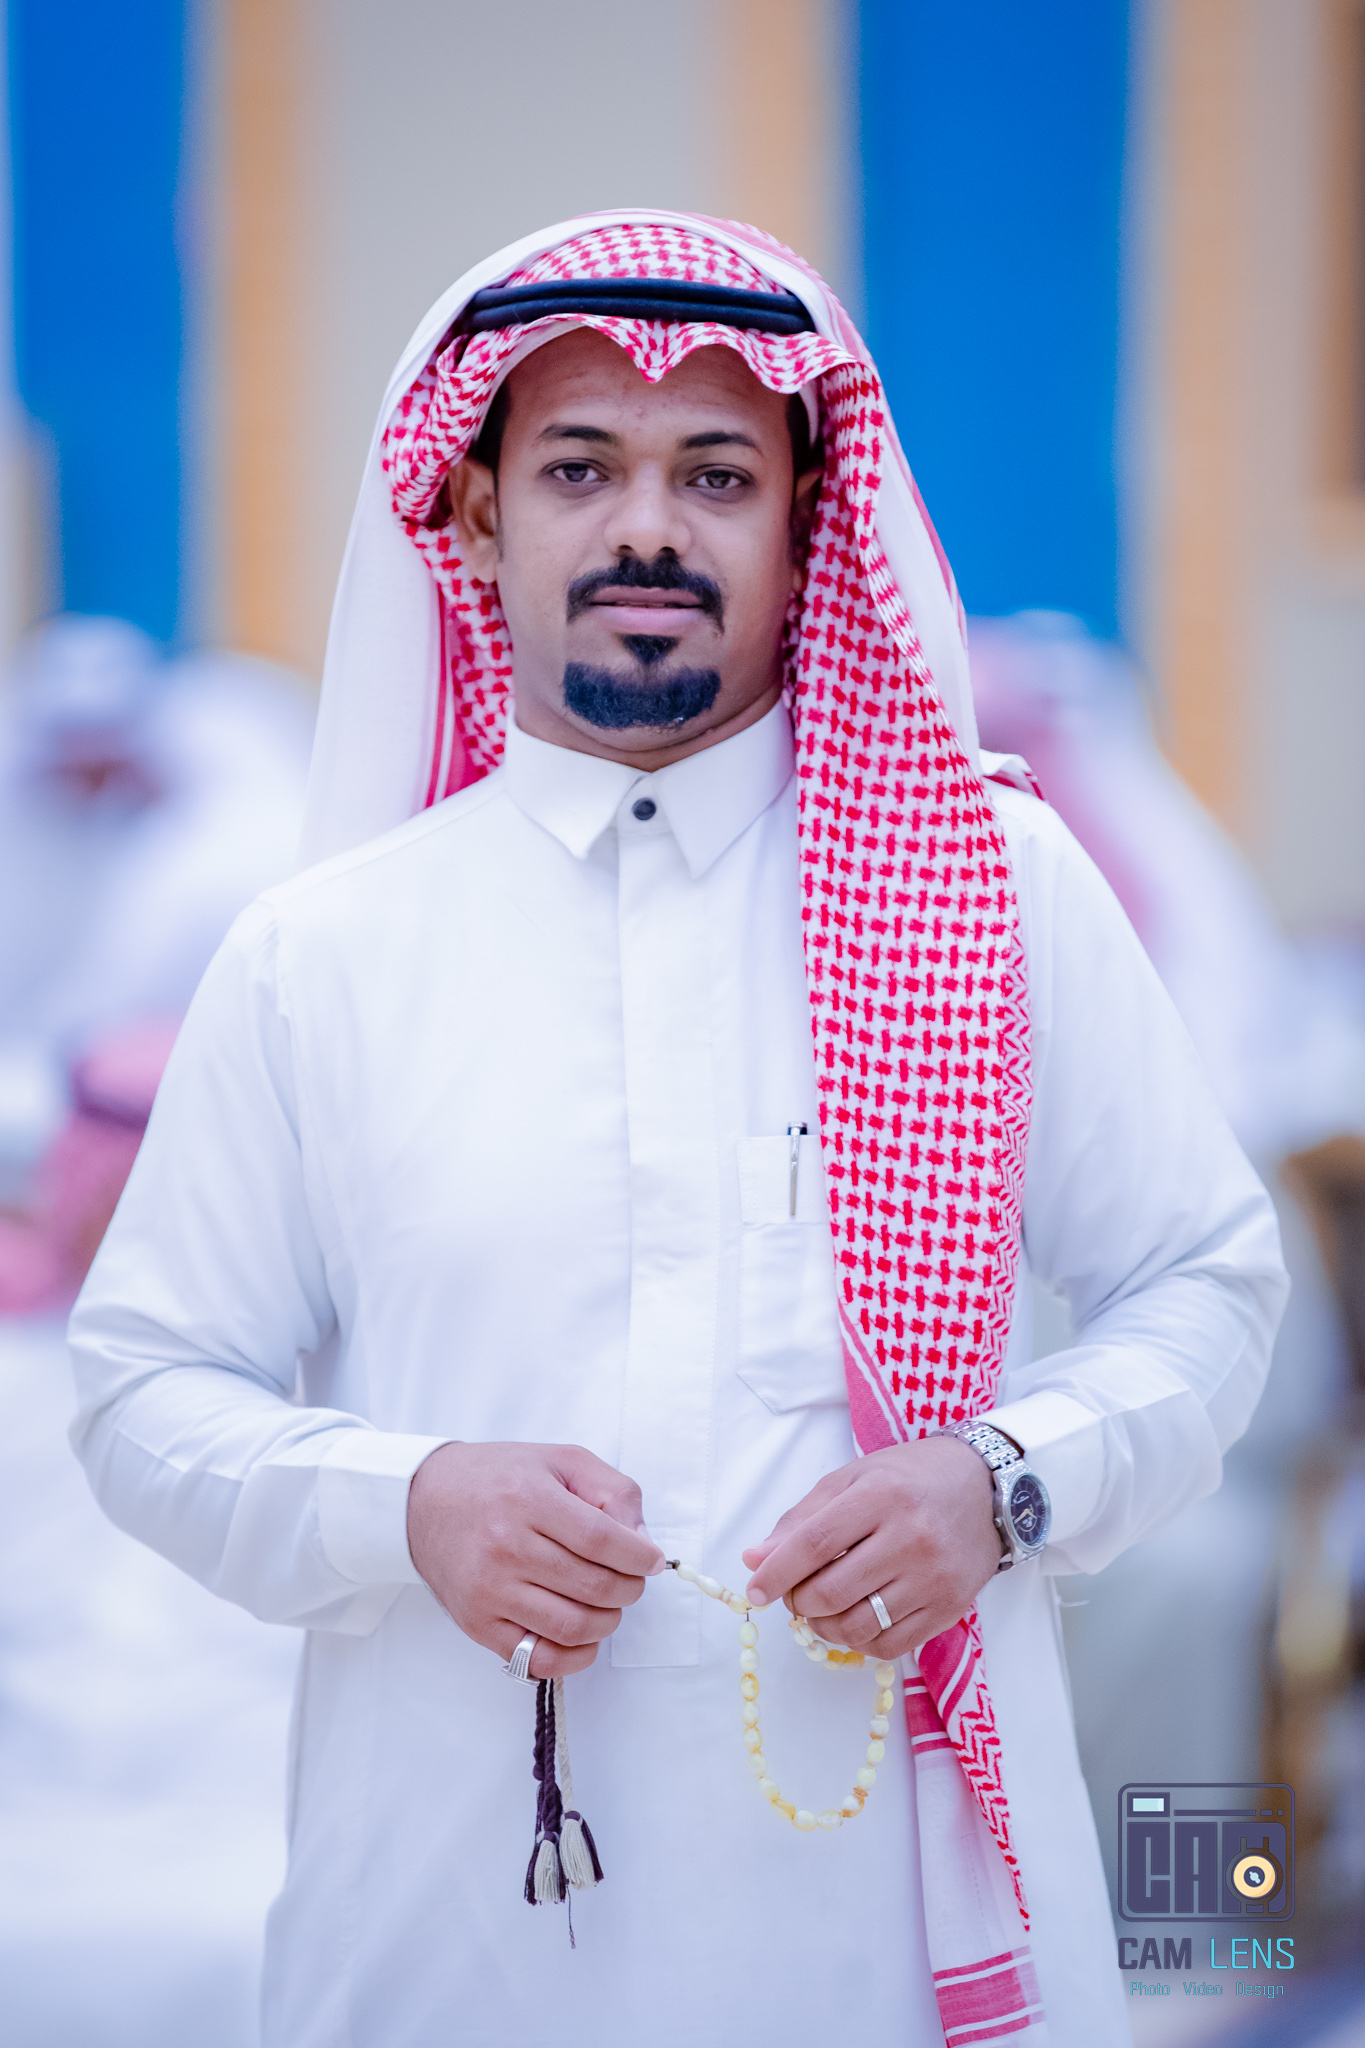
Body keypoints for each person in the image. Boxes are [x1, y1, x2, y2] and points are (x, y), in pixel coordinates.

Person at [68, 214, 1287, 2048]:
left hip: (873, 1927)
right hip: (448, 1920)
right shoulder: (321, 952)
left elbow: (1204, 1288)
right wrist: (406, 1503)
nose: (648, 527)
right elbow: (143, 1389)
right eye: (580, 468)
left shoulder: (992, 893)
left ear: (805, 524)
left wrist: (1001, 1482)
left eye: (716, 475)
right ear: (476, 515)